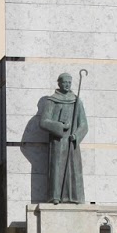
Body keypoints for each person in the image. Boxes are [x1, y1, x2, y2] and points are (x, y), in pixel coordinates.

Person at [37, 72, 88, 204]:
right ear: (59, 83)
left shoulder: (76, 101)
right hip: (58, 142)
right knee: (57, 168)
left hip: (72, 142)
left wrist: (76, 135)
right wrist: (60, 126)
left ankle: (75, 197)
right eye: (64, 82)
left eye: (69, 83)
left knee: (74, 169)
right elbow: (43, 122)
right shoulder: (52, 100)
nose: (67, 85)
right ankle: (56, 196)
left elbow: (83, 124)